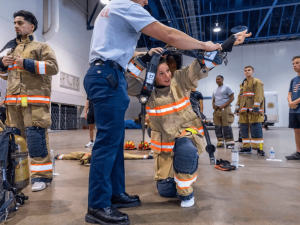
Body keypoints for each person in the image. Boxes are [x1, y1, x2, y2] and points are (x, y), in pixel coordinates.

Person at [83, 0, 227, 223]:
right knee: (106, 144)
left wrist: (144, 55)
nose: (146, 2)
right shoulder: (127, 6)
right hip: (108, 75)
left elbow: (119, 51)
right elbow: (168, 34)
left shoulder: (112, 9)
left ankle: (114, 194)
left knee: (115, 142)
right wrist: (203, 46)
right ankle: (98, 206)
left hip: (111, 74)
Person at [125, 30, 250, 209]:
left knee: (186, 151)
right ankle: (180, 176)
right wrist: (144, 59)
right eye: (161, 73)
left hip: (187, 133)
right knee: (166, 191)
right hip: (164, 145)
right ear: (153, 74)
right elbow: (127, 80)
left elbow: (203, 64)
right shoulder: (147, 89)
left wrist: (229, 43)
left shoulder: (181, 78)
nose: (167, 76)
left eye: (168, 70)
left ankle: (187, 194)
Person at [0, 10, 59, 192]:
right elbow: (4, 76)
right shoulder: (10, 50)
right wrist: (3, 64)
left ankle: (42, 177)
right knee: (14, 140)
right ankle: (17, 175)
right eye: (15, 23)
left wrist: (26, 63)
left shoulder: (41, 47)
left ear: (31, 26)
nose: (16, 26)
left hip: (34, 103)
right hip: (13, 105)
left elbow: (53, 68)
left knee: (36, 138)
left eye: (20, 22)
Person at [235, 66, 265, 156]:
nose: (247, 72)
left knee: (256, 129)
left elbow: (259, 95)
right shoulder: (243, 84)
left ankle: (259, 149)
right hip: (244, 112)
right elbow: (240, 97)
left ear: (253, 71)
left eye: (249, 70)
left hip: (254, 111)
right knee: (243, 129)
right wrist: (237, 108)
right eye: (245, 70)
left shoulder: (257, 82)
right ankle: (246, 147)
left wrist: (256, 107)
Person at [212, 75, 235, 148]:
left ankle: (230, 143)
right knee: (217, 126)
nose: (217, 80)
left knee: (226, 126)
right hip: (217, 110)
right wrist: (213, 106)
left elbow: (232, 97)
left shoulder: (227, 87)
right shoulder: (215, 90)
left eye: (219, 79)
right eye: (216, 79)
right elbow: (213, 100)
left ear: (222, 79)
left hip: (225, 109)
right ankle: (220, 142)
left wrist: (224, 105)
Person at [286, 56, 300, 160]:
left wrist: (294, 102)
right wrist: (290, 102)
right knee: (297, 131)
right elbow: (289, 94)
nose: (295, 65)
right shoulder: (294, 80)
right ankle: (298, 152)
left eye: (297, 63)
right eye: (293, 63)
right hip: (294, 110)